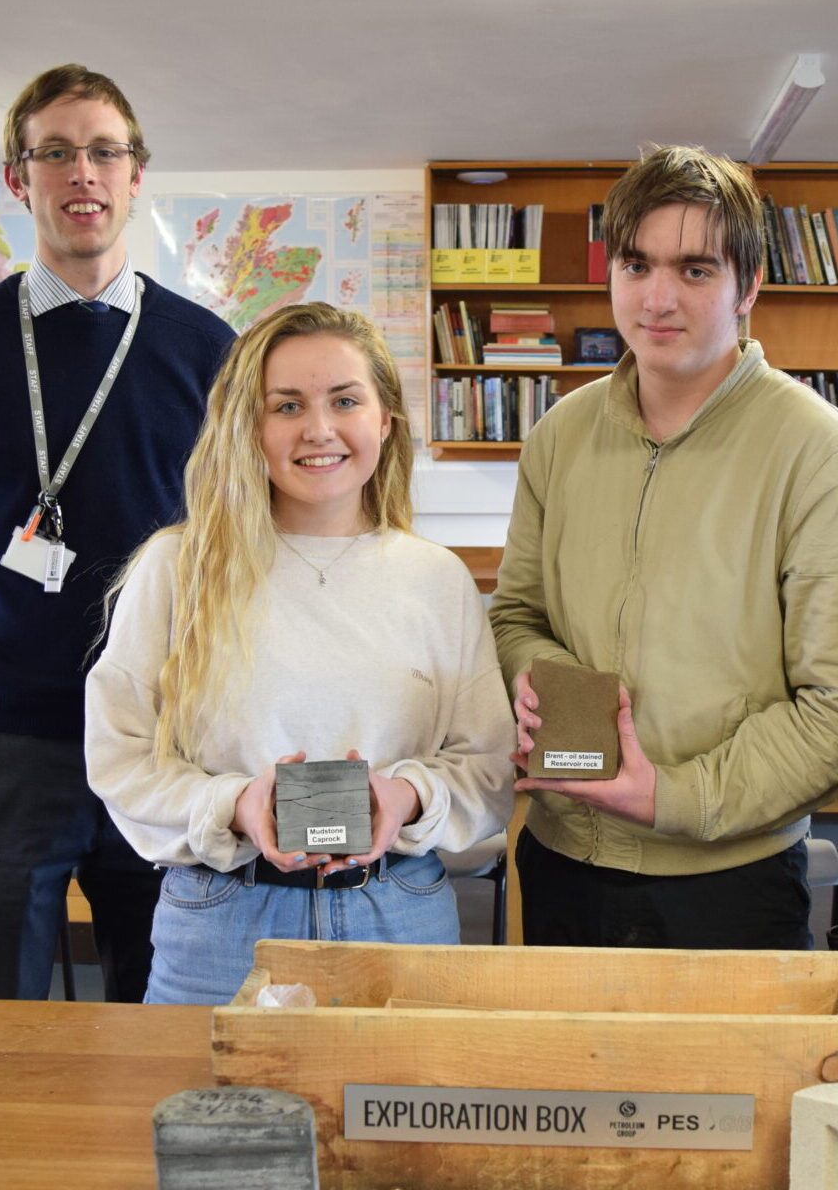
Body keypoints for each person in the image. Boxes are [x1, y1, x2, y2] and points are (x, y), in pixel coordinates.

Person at [0, 64, 234, 1002]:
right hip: (6, 754)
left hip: (165, 738)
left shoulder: (206, 351)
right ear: (17, 179)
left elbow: (239, 548)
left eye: (105, 151)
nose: (84, 173)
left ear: (136, 175)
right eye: (57, 152)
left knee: (165, 1010)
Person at [490, 144, 838, 950]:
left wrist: (669, 796)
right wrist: (532, 675)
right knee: (558, 1080)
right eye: (636, 265)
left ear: (748, 288)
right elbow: (516, 613)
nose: (657, 297)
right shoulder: (558, 435)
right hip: (562, 859)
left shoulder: (817, 451)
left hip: (727, 885)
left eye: (695, 270)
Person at [84, 302, 516, 1006]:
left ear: (384, 419)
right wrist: (232, 803)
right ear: (247, 427)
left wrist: (406, 796)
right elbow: (120, 758)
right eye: (286, 406)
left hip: (398, 913)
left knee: (394, 1118)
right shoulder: (176, 570)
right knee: (213, 1116)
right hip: (222, 922)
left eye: (345, 400)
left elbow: (487, 768)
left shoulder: (435, 578)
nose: (318, 429)